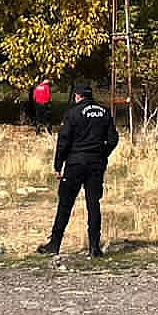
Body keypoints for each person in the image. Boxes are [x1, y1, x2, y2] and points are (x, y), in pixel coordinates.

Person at [37, 84, 119, 257]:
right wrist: (102, 154)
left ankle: (54, 244)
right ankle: (94, 247)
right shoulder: (104, 112)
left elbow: (64, 141)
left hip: (75, 164)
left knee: (65, 204)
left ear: (78, 96)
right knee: (93, 204)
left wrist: (58, 165)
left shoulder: (73, 113)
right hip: (96, 164)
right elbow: (113, 139)